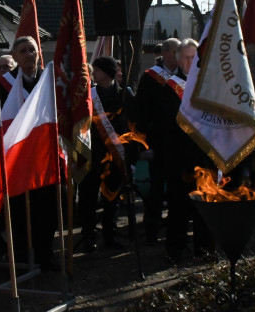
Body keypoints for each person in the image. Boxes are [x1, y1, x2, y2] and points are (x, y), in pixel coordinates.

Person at [2, 36, 60, 271]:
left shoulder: (50, 80)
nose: (29, 54)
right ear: (14, 57)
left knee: (46, 208)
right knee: (17, 211)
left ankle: (45, 254)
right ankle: (21, 258)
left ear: (39, 53)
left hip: (45, 156)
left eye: (32, 50)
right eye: (23, 51)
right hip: (16, 158)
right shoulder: (4, 84)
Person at [158, 39, 212, 262]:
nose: (191, 61)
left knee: (205, 209)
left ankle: (205, 249)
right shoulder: (170, 87)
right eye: (187, 57)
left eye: (194, 57)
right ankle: (175, 251)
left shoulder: (208, 86)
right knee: (178, 210)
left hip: (204, 157)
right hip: (179, 158)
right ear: (178, 60)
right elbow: (166, 125)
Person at [77, 56, 132, 251]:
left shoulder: (125, 94)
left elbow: (132, 122)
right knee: (88, 199)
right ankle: (88, 236)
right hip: (92, 154)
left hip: (115, 154)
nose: (94, 74)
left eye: (97, 70)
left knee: (112, 198)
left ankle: (110, 235)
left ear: (107, 73)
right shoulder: (89, 95)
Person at [130, 37, 180, 243]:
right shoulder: (151, 78)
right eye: (176, 52)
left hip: (178, 143)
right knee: (155, 190)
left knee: (177, 190)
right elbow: (141, 112)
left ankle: (174, 232)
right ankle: (151, 230)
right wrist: (145, 145)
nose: (179, 57)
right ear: (166, 53)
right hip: (157, 142)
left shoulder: (186, 76)